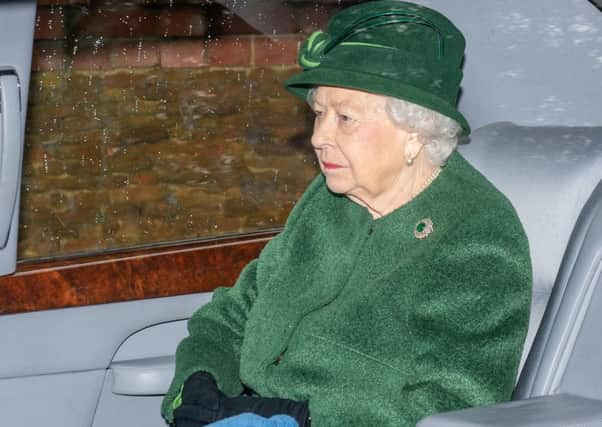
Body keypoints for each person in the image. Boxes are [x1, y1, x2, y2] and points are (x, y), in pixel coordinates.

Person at [161, 1, 532, 426]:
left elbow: (455, 402)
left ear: (414, 132)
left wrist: (304, 419)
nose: (319, 137)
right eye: (319, 114)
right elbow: (235, 312)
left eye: (345, 118)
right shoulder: (329, 199)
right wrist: (198, 382)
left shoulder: (476, 232)